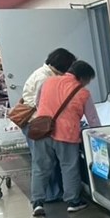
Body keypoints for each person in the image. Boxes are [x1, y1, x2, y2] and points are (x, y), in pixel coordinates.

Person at [30, 60, 100, 216]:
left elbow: (37, 103)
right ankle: (73, 202)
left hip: (43, 131)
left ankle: (37, 202)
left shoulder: (48, 82)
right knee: (68, 167)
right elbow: (93, 120)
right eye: (88, 80)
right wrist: (101, 134)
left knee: (40, 167)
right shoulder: (83, 93)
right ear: (83, 77)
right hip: (67, 134)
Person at [23, 48, 76, 201]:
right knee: (43, 163)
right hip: (39, 125)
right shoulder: (44, 78)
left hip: (37, 123)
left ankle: (47, 196)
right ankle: (50, 195)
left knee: (43, 162)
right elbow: (42, 104)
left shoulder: (44, 74)